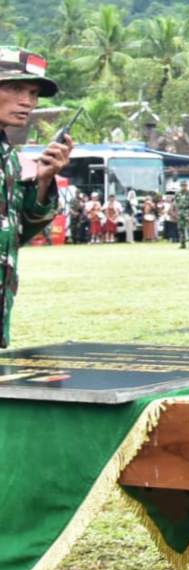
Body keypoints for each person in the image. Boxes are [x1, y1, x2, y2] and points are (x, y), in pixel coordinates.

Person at [1, 48, 69, 347]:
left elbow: (12, 235)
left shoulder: (8, 157)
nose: (28, 101)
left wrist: (43, 180)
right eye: (15, 88)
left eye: (32, 92)